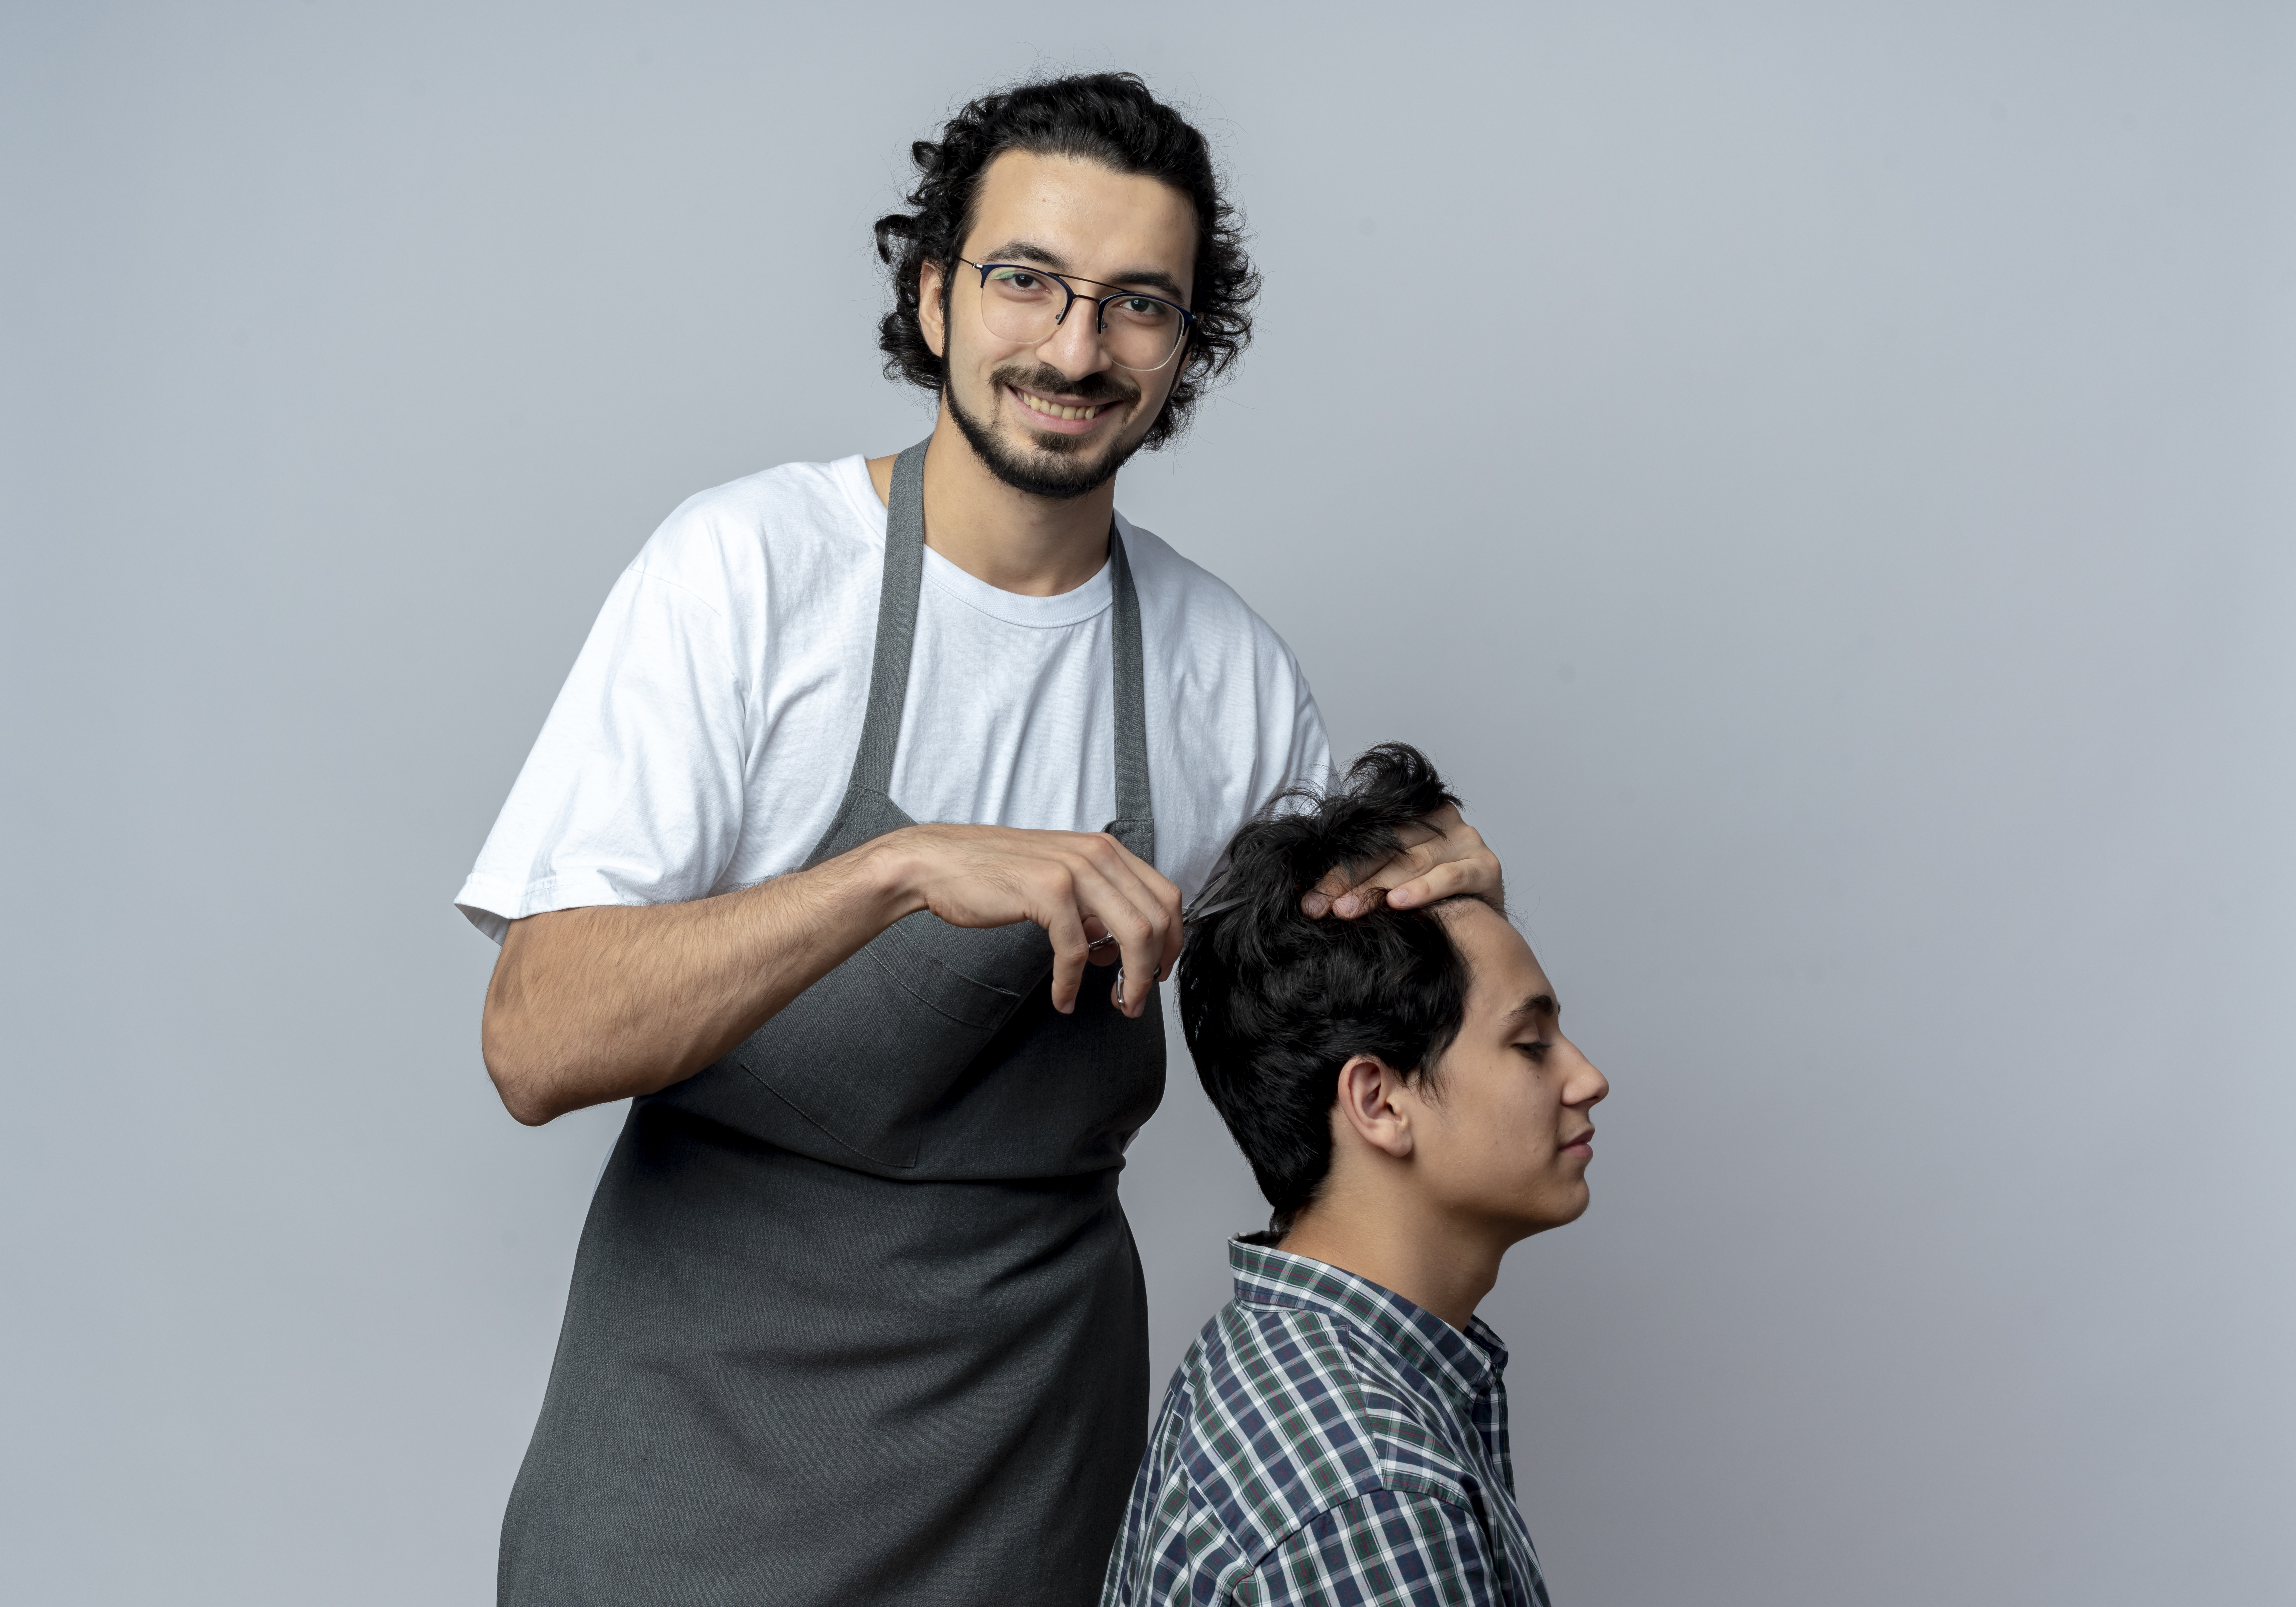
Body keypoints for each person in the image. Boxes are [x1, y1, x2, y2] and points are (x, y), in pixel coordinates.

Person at [456, 75, 1504, 1607]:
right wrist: (891, 872)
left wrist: (1455, 925)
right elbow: (533, 1041)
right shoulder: (748, 573)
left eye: (1138, 305)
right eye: (1027, 281)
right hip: (688, 1463)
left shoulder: (1229, 676)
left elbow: (1339, 1075)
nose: (1076, 350)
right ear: (935, 294)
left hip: (1031, 1469)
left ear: (1186, 346)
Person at [1102, 744, 1608, 1607]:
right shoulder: (1371, 1490)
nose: (1586, 1078)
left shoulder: (1274, 1359)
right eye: (1530, 1044)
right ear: (1377, 1102)